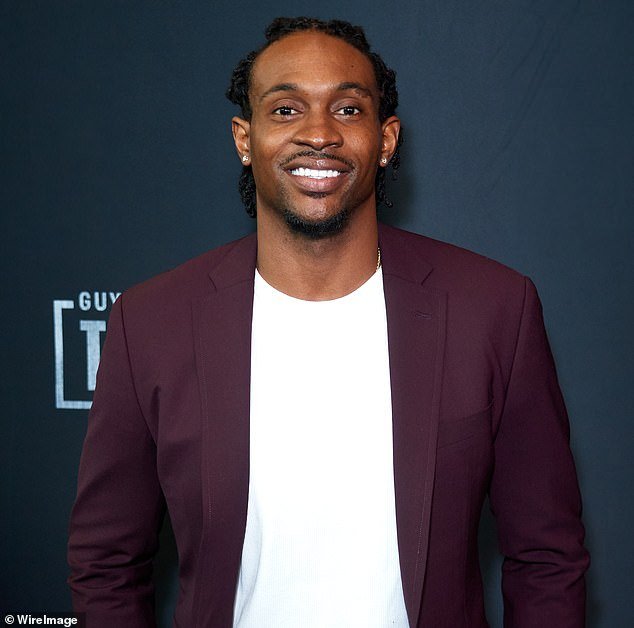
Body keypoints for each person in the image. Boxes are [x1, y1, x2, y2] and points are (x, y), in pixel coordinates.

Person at [67, 16, 589, 628]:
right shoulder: (151, 323)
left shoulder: (493, 309)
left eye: (347, 109)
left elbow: (547, 556)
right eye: (286, 110)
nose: (318, 134)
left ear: (386, 139)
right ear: (244, 138)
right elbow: (106, 561)